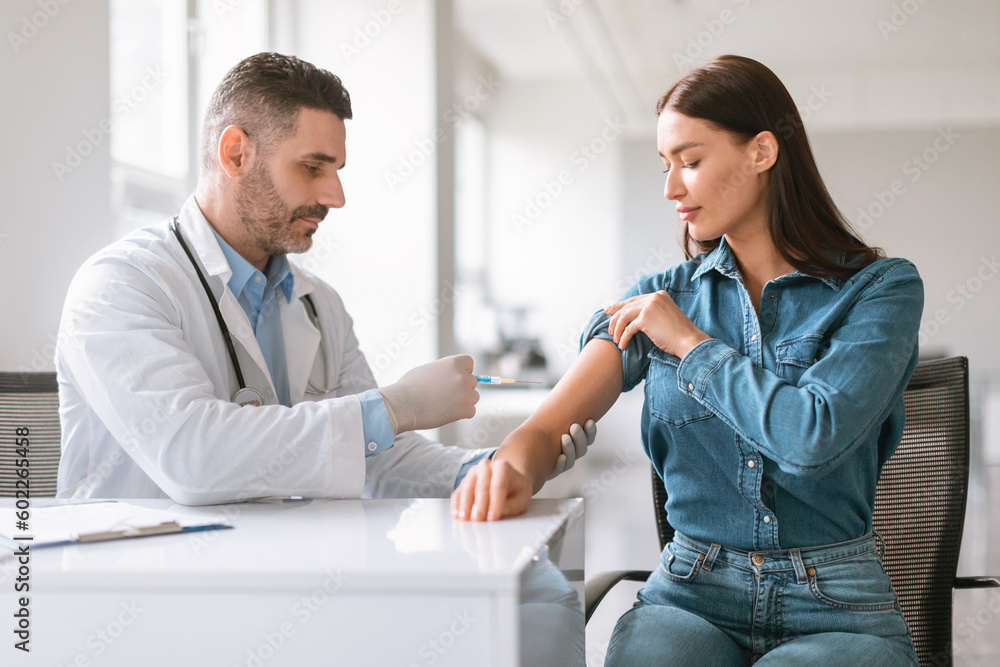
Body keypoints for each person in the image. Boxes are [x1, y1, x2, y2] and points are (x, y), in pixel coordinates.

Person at [452, 55, 922, 665]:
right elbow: (548, 424)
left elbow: (812, 437)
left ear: (761, 151)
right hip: (693, 593)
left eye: (691, 161)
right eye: (665, 165)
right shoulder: (657, 297)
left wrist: (690, 345)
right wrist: (513, 465)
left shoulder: (880, 289)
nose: (671, 187)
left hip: (836, 604)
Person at [56, 52, 594, 505]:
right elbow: (194, 456)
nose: (335, 196)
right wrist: (397, 405)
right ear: (235, 153)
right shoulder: (123, 286)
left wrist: (491, 468)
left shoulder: (318, 304)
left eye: (337, 171)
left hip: (279, 578)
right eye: (313, 168)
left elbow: (373, 458)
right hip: (136, 594)